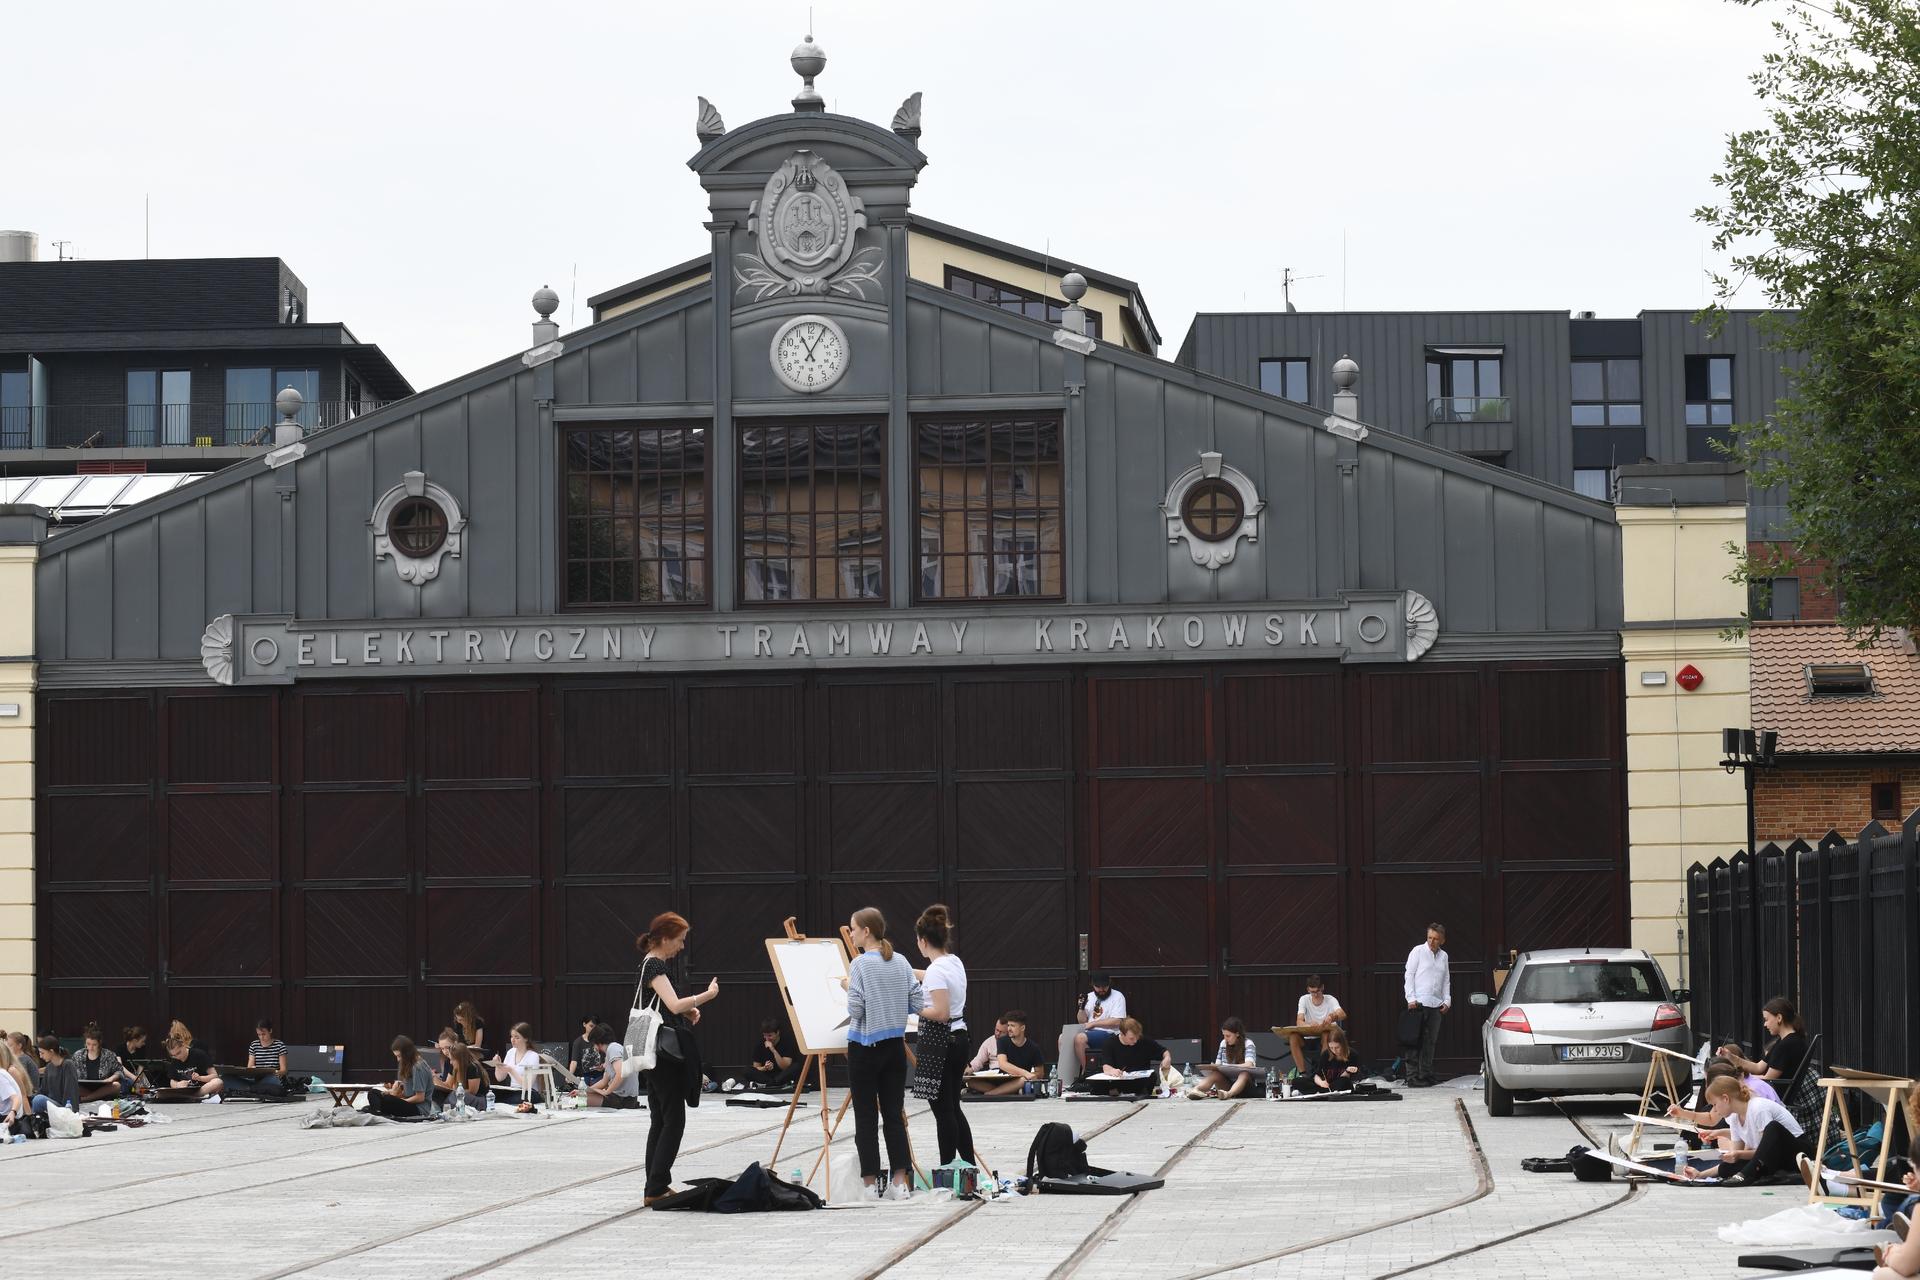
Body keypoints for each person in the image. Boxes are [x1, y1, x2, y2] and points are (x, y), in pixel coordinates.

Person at [639, 911, 718, 1207]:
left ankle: (654, 1185)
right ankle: (657, 1185)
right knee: (673, 1119)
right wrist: (706, 996)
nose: (682, 946)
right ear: (665, 938)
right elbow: (671, 1002)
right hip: (662, 1056)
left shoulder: (650, 963)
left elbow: (664, 1004)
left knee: (660, 1119)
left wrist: (685, 1011)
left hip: (650, 1052)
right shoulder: (655, 964)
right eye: (680, 940)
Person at [845, 906, 922, 1200]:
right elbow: (916, 1001)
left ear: (866, 931)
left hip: (864, 1047)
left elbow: (856, 1009)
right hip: (894, 1046)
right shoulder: (901, 961)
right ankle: (899, 1182)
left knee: (865, 1117)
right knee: (894, 1115)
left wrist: (848, 987)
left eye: (853, 929)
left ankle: (868, 1185)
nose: (851, 934)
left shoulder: (860, 965)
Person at [914, 903, 976, 1171]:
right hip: (959, 1037)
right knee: (953, 1106)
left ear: (923, 941)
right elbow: (929, 977)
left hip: (941, 1040)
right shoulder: (952, 961)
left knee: (943, 1111)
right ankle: (967, 1166)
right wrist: (905, 971)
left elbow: (939, 1013)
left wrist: (912, 1005)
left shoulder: (938, 970)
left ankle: (948, 1168)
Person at [1679, 1074, 1812, 1184]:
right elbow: (1741, 1155)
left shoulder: (1758, 1108)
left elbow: (1766, 1150)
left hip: (1800, 1154)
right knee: (1736, 1163)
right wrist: (1701, 1174)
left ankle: (1746, 1175)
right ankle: (1709, 1175)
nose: (1715, 1110)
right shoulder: (1735, 1118)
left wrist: (1739, 1155)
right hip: (1776, 1158)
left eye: (1715, 1104)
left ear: (1725, 1098)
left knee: (1773, 1127)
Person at [1403, 923, 1451, 1088]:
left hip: (1436, 1004)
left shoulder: (1444, 956)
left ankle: (1426, 1073)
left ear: (1442, 940)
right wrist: (1411, 998)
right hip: (1419, 1003)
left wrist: (1447, 1000)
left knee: (1430, 1041)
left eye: (1436, 939)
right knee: (1414, 1040)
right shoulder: (1418, 951)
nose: (1431, 941)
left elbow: (1446, 979)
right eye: (1429, 937)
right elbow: (1409, 975)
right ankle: (1412, 1076)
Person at [970, 1010, 1045, 1096]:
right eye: (1008, 1025)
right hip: (1001, 1080)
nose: (1009, 1028)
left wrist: (1030, 1075)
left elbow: (1040, 1073)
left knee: (1023, 1080)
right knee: (971, 1082)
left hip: (1019, 1081)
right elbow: (1003, 1064)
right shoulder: (1002, 1041)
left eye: (1012, 1026)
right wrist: (1025, 1073)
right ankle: (1009, 1091)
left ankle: (990, 1094)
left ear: (1022, 1028)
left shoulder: (1033, 1047)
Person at [1092, 1018, 1171, 1094]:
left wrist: (1167, 1058)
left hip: (1140, 1081)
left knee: (1152, 1076)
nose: (1135, 1041)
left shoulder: (1145, 1041)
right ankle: (1116, 1091)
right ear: (1122, 1034)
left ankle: (1132, 1092)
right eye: (1132, 1038)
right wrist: (1113, 1071)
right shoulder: (1110, 1043)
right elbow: (1106, 1067)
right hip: (1119, 1080)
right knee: (1096, 1083)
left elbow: (1164, 1051)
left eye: (1137, 1037)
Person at [1288, 975, 1346, 1075]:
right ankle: (1303, 1073)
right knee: (1293, 1037)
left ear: (1322, 988)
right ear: (1308, 990)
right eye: (1312, 992)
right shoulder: (1304, 999)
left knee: (1326, 1034)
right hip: (1307, 1039)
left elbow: (1342, 1014)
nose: (1315, 994)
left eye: (1317, 991)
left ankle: (1321, 1071)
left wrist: (1332, 1016)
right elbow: (1299, 1021)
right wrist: (1309, 1024)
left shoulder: (1330, 999)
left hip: (1325, 1040)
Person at [367, 1035, 435, 1119]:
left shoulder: (418, 1067)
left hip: (418, 1109)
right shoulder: (406, 1064)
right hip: (406, 1102)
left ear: (407, 1053)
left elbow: (420, 1097)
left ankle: (377, 1111)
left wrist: (400, 1101)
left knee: (388, 1100)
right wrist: (392, 1092)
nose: (398, 1059)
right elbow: (405, 1092)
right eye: (396, 1056)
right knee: (373, 1093)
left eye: (399, 1056)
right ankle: (378, 1111)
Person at [1190, 1016, 1257, 1099]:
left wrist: (1228, 1067)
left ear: (1237, 1034)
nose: (1225, 1039)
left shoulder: (1248, 1043)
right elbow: (1218, 1065)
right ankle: (1196, 1090)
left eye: (1228, 1036)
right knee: (1215, 1074)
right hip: (1227, 1084)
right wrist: (1212, 1067)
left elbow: (1249, 1065)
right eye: (1224, 1035)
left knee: (1244, 1074)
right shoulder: (1223, 1043)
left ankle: (1228, 1094)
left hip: (1245, 1087)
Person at [1073, 973, 1128, 1074]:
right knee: (1063, 1038)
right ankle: (1068, 1075)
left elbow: (1118, 1021)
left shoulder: (1118, 996)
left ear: (1109, 984)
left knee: (1080, 1038)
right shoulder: (1089, 997)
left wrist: (1094, 1024)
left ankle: (1087, 1073)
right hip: (1088, 1033)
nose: (1102, 989)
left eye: (1104, 986)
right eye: (1098, 987)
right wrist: (1081, 1008)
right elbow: (1082, 1021)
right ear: (1092, 985)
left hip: (1110, 1033)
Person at [489, 1022, 547, 1114]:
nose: (513, 1040)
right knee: (491, 1094)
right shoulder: (510, 1052)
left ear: (526, 1039)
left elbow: (528, 1084)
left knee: (516, 1098)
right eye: (512, 1037)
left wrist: (511, 1070)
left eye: (517, 1037)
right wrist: (497, 1065)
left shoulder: (533, 1056)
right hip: (513, 1090)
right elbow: (500, 1078)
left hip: (529, 1092)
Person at [585, 1024, 640, 1109]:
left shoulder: (613, 1048)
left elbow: (621, 1073)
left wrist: (607, 1091)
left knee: (582, 1099)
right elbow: (604, 1082)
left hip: (623, 1099)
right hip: (622, 1097)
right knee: (583, 1095)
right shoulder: (612, 1051)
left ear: (597, 1042)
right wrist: (585, 1091)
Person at [432, 1029, 489, 1110]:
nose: (451, 1062)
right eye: (442, 1048)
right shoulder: (454, 1064)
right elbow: (449, 1086)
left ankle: (445, 1108)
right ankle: (440, 1110)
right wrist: (434, 1078)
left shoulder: (472, 1067)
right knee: (435, 1092)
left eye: (447, 1048)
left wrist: (456, 1092)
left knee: (455, 1096)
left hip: (476, 1098)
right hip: (459, 1095)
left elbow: (473, 1092)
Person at [159, 1033, 223, 1101]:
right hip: (185, 1090)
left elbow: (215, 1076)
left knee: (218, 1082)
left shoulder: (199, 1054)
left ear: (183, 1045)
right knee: (160, 1094)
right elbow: (172, 1081)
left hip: (202, 1088)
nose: (178, 1057)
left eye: (179, 1053)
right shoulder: (175, 1060)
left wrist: (200, 1078)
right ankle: (189, 1097)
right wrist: (178, 1084)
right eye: (173, 1055)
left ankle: (192, 1097)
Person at [74, 1025, 125, 1104]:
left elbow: (119, 1070)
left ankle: (85, 1099)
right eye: (88, 1044)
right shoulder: (78, 1055)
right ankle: (97, 1097)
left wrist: (111, 1079)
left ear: (99, 1043)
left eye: (94, 1045)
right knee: (72, 1085)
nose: (90, 1047)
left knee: (116, 1085)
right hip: (84, 1088)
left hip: (103, 1088)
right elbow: (70, 1072)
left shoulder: (108, 1055)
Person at [749, 1018, 802, 1091]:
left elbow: (785, 1066)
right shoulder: (759, 1045)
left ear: (777, 1032)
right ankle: (773, 1084)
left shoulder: (787, 1043)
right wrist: (764, 1068)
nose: (767, 1039)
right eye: (765, 1035)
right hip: (766, 1076)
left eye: (770, 1035)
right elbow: (756, 1068)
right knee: (746, 1070)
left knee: (796, 1066)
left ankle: (770, 1084)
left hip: (782, 1075)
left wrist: (773, 1050)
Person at [243, 1018, 290, 1098]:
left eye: (264, 1034)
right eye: (259, 1034)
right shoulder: (254, 1045)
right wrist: (253, 1069)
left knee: (273, 1079)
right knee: (227, 1078)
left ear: (270, 1031)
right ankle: (253, 1088)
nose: (261, 1037)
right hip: (257, 1078)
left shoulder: (279, 1045)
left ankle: (249, 1089)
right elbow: (249, 1067)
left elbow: (284, 1070)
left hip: (272, 1078)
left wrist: (276, 1072)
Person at [32, 1035, 80, 1113]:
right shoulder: (49, 1067)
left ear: (51, 1051)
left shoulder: (68, 1065)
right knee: (35, 1098)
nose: (40, 1056)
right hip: (53, 1106)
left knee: (39, 1100)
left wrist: (70, 1112)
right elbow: (43, 1090)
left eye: (42, 1053)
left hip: (65, 1108)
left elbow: (71, 1091)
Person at [1310, 1025, 1362, 1093]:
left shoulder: (1352, 1054)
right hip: (1327, 1085)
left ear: (1343, 1044)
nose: (1334, 1051)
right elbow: (1317, 1075)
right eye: (1331, 1048)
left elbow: (1351, 1078)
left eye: (1337, 1047)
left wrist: (1348, 1071)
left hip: (1340, 1084)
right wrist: (1321, 1083)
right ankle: (1321, 1091)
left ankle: (1314, 1091)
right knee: (1298, 1081)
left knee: (1344, 1081)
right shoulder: (1326, 1054)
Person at [568, 1016, 604, 1088]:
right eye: (591, 1026)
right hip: (584, 1076)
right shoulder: (578, 1042)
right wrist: (569, 1075)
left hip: (600, 1075)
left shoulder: (601, 1040)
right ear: (584, 1024)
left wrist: (603, 1066)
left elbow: (606, 1057)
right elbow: (574, 1061)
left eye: (595, 1027)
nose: (593, 1029)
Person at [6, 1030, 39, 1096]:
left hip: (30, 1094)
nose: (8, 1048)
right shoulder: (15, 1059)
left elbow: (20, 1080)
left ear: (19, 1046)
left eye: (10, 1045)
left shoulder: (23, 1059)